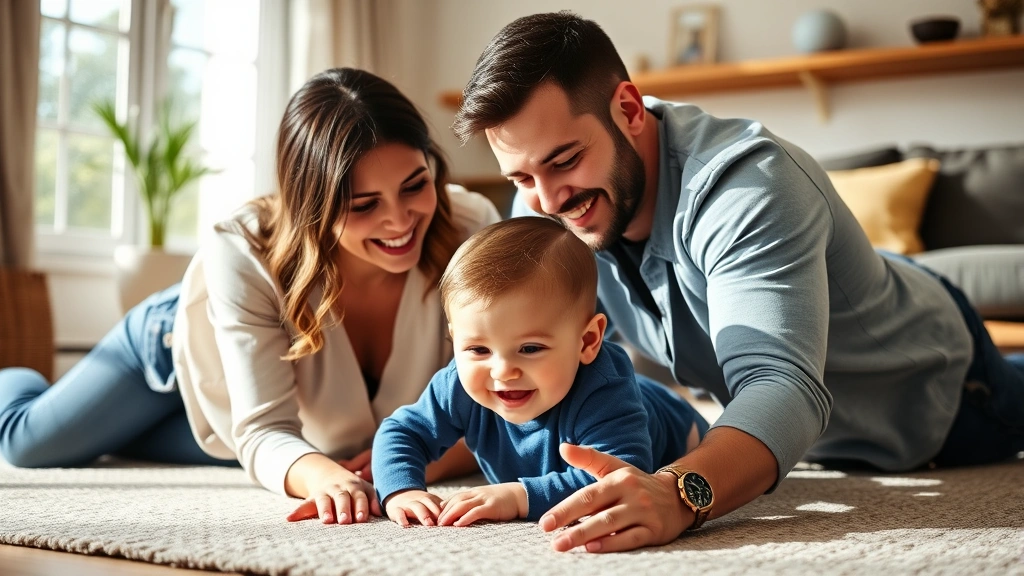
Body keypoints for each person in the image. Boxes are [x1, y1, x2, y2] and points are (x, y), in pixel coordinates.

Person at [452, 11, 1024, 552]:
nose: (548, 201)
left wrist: (678, 493)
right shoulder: (543, 207)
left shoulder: (749, 187)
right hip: (848, 294)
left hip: (938, 384)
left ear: (628, 108)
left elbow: (782, 385)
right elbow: (516, 351)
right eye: (523, 175)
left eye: (565, 160)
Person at [0, 67, 500, 526]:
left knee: (279, 448)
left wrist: (420, 461)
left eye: (415, 186)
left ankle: (119, 430)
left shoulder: (473, 230)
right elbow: (263, 429)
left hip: (282, 413)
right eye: (363, 205)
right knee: (27, 444)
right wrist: (325, 478)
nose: (399, 220)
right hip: (171, 352)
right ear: (312, 205)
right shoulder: (244, 247)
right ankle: (10, 379)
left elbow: (499, 406)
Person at [370, 217, 707, 527]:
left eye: (530, 349)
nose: (502, 371)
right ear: (455, 339)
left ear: (587, 341)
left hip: (672, 422)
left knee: (703, 449)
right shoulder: (457, 382)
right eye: (478, 350)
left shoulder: (604, 391)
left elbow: (621, 475)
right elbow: (401, 432)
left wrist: (518, 496)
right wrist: (401, 490)